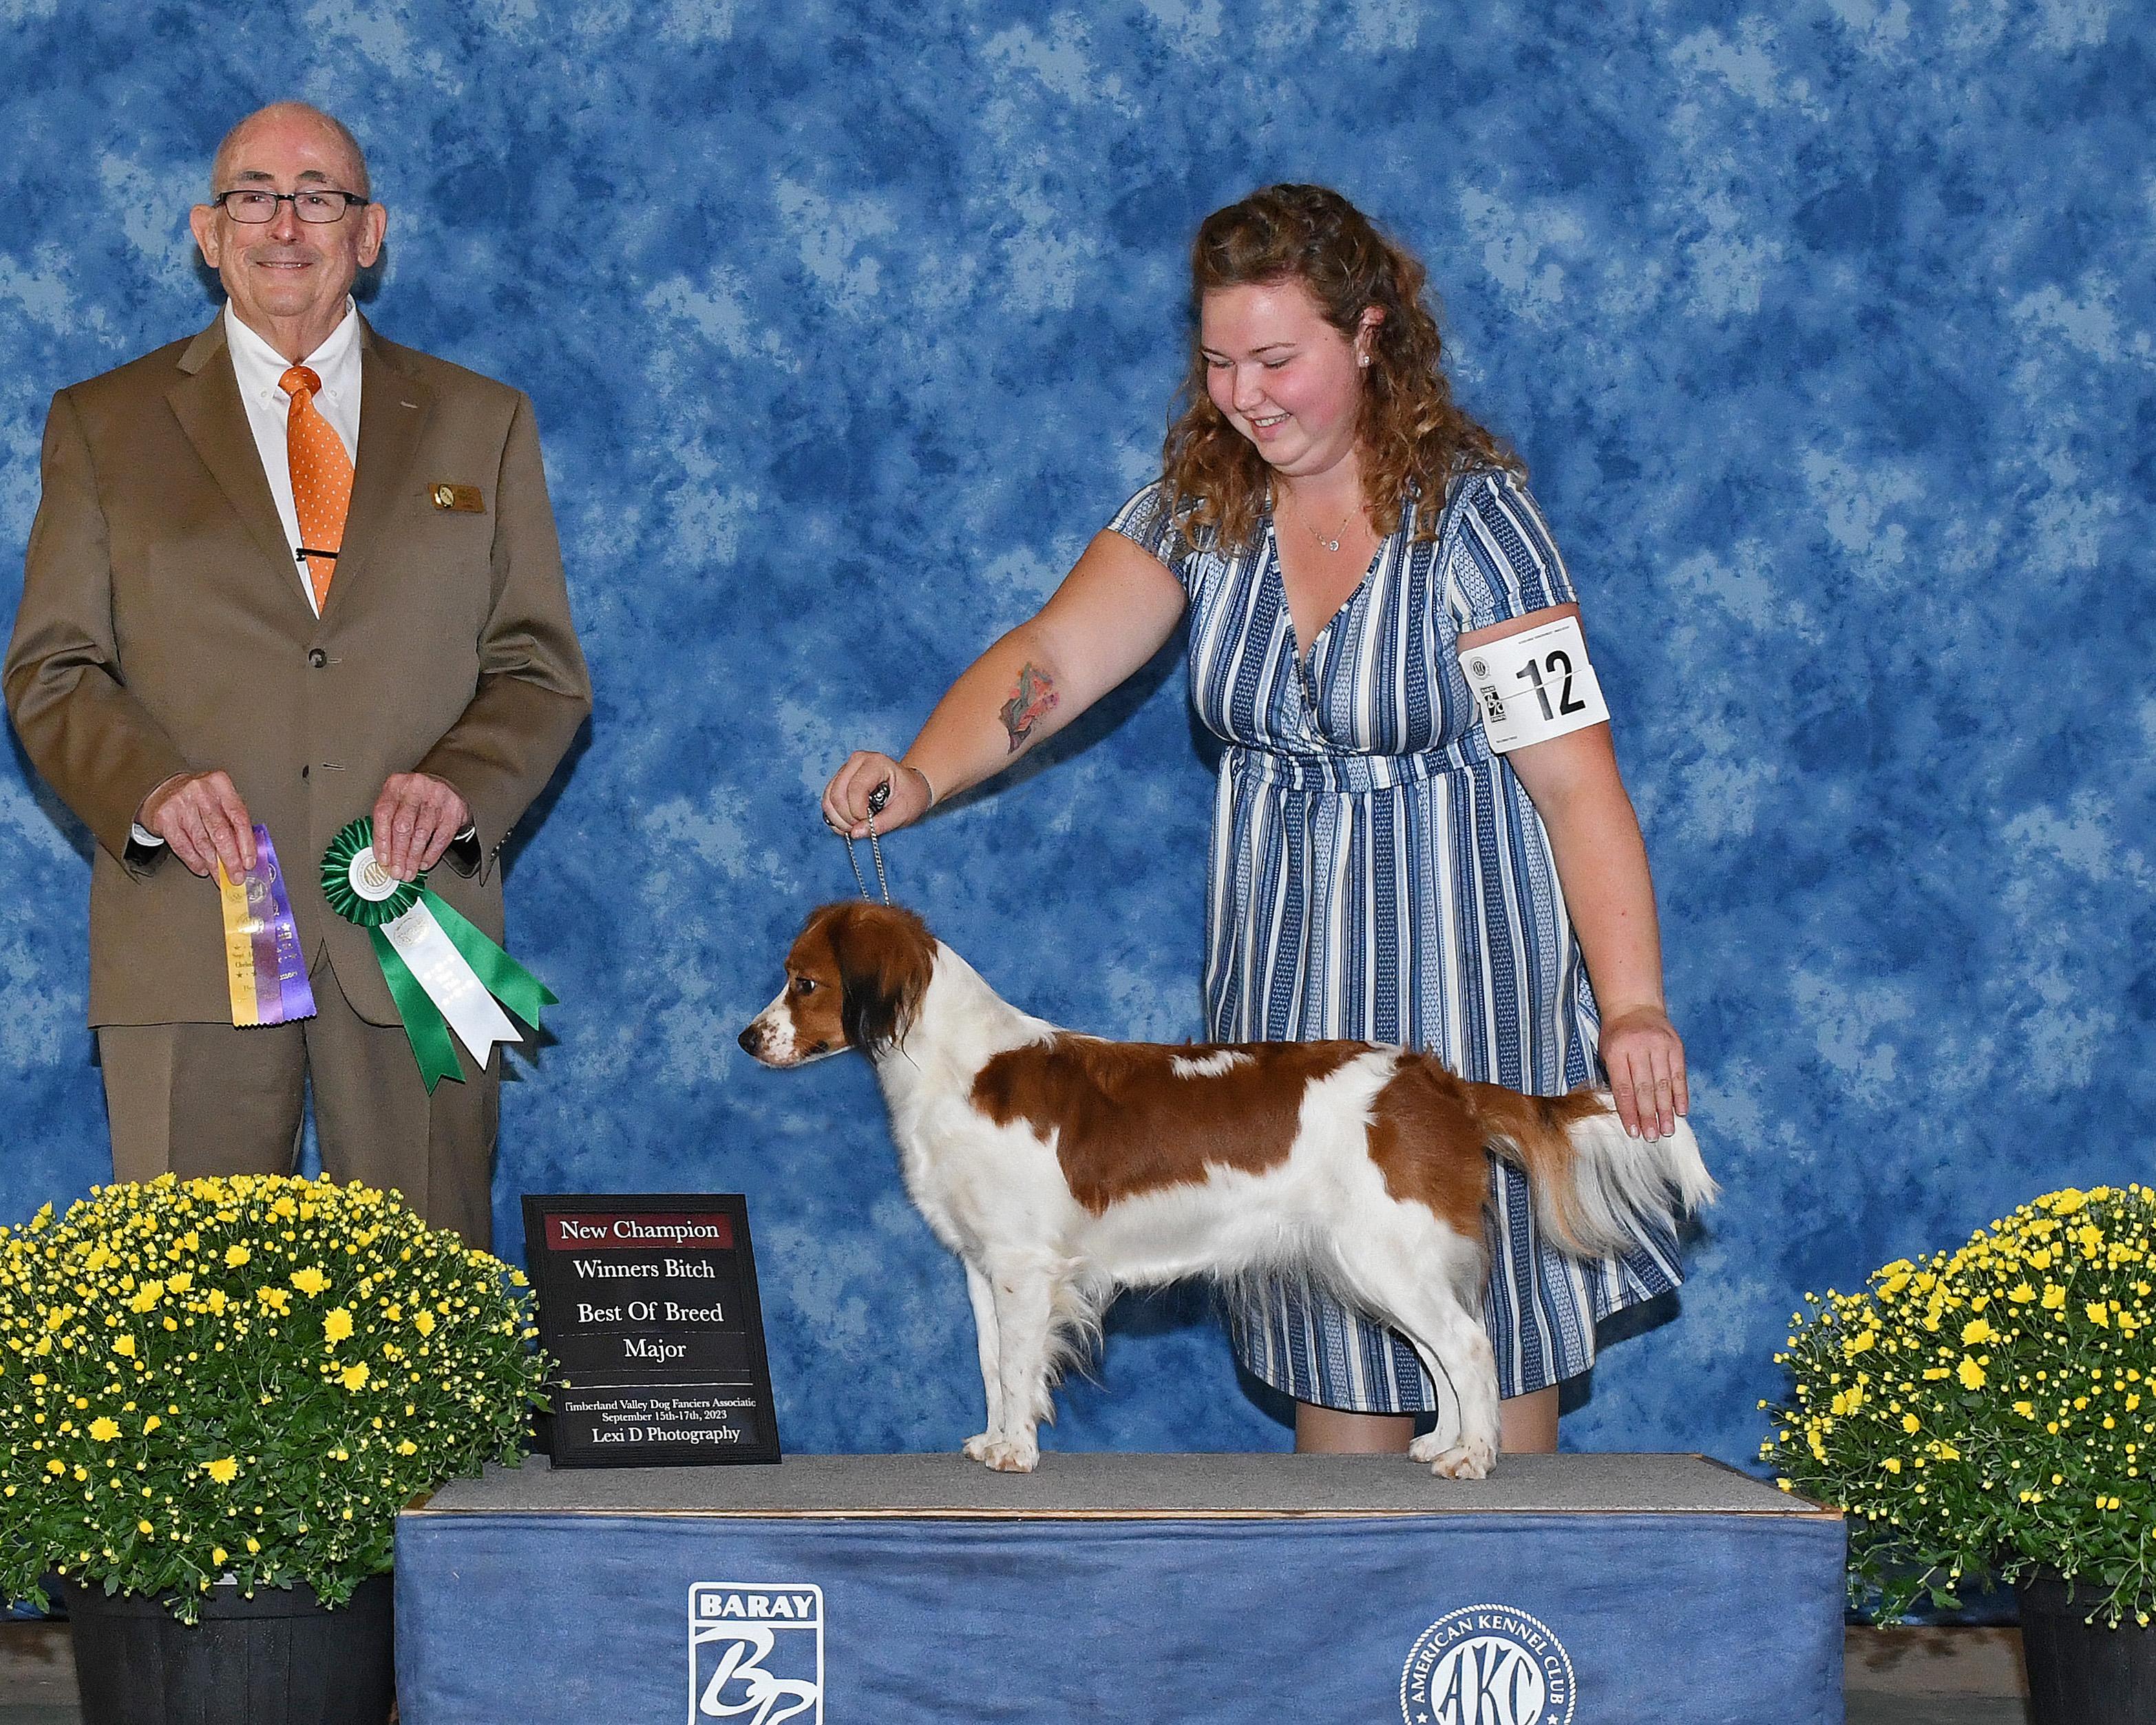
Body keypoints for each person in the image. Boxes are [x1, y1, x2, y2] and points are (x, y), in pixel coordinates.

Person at [823, 184, 1689, 1456]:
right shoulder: (1199, 504)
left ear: (1371, 334)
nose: (1245, 396)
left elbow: (1576, 781)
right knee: (1337, 1395)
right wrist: (920, 772)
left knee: (1482, 1377)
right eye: (1220, 362)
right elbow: (1053, 658)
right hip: (1280, 993)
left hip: (1465, 978)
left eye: (1278, 359)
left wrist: (1633, 1006)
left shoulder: (1477, 522)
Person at [4, 103, 591, 1248]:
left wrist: (461, 782)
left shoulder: (484, 421)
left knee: (427, 1304)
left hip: (416, 928)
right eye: (253, 197)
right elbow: (51, 667)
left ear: (370, 232)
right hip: (190, 926)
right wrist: (152, 787)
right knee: (184, 1307)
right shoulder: (101, 424)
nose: (285, 224)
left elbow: (540, 667)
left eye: (319, 196)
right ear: (207, 232)